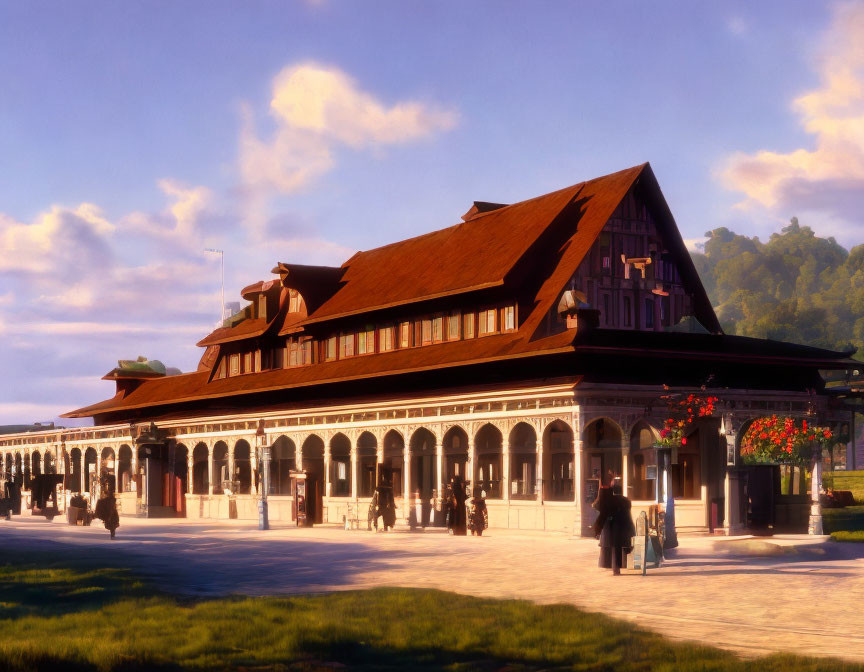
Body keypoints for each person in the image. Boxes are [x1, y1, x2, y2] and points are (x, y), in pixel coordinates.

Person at [593, 476, 635, 575]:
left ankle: (614, 568)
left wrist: (602, 492)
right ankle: (617, 568)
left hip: (611, 528)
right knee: (617, 549)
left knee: (611, 549)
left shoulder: (608, 501)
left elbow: (596, 505)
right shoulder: (625, 501)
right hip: (622, 529)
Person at [93, 471, 119, 539]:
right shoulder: (108, 481)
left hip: (109, 503)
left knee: (110, 514)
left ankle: (112, 531)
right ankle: (112, 531)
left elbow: (109, 490)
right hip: (109, 502)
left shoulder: (109, 481)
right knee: (110, 514)